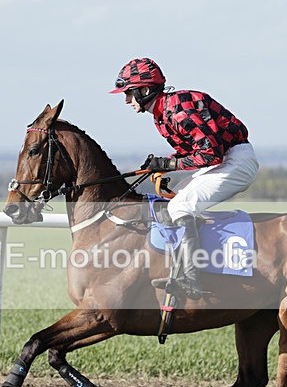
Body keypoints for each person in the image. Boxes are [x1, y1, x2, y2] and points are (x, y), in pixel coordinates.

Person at [109, 57, 259, 299]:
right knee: (173, 200)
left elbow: (211, 154)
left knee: (181, 206)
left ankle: (191, 279)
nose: (126, 100)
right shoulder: (162, 113)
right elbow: (193, 151)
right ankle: (181, 266)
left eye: (128, 93)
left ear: (144, 90)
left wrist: (168, 165)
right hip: (225, 159)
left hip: (236, 161)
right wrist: (163, 164)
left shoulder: (177, 109)